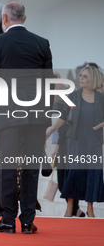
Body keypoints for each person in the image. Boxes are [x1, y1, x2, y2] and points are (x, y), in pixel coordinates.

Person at [0, 1, 54, 233]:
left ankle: (8, 220)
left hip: (8, 114)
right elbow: (49, 85)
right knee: (31, 167)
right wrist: (46, 120)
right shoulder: (42, 43)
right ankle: (29, 222)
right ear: (25, 18)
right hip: (37, 116)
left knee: (8, 167)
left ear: (4, 19)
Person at [46, 66, 104, 218]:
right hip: (75, 140)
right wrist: (50, 131)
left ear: (93, 79)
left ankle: (90, 208)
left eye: (85, 76)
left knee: (93, 174)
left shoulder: (101, 98)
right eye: (80, 76)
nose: (81, 78)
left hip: (94, 141)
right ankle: (70, 206)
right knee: (73, 173)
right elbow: (63, 117)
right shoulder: (73, 96)